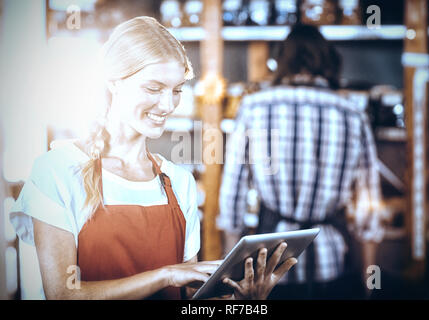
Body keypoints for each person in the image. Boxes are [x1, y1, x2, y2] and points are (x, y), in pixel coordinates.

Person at [9, 16, 297, 300]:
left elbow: (188, 301)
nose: (167, 104)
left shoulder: (179, 182)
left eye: (176, 91)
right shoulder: (58, 170)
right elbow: (63, 294)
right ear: (114, 83)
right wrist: (166, 275)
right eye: (154, 88)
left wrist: (244, 303)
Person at [218, 24, 385, 299]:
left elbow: (232, 198)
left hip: (268, 267)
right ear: (330, 62)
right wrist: (369, 287)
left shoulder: (254, 107)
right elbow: (369, 213)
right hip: (332, 263)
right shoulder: (353, 114)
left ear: (281, 61)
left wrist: (230, 279)